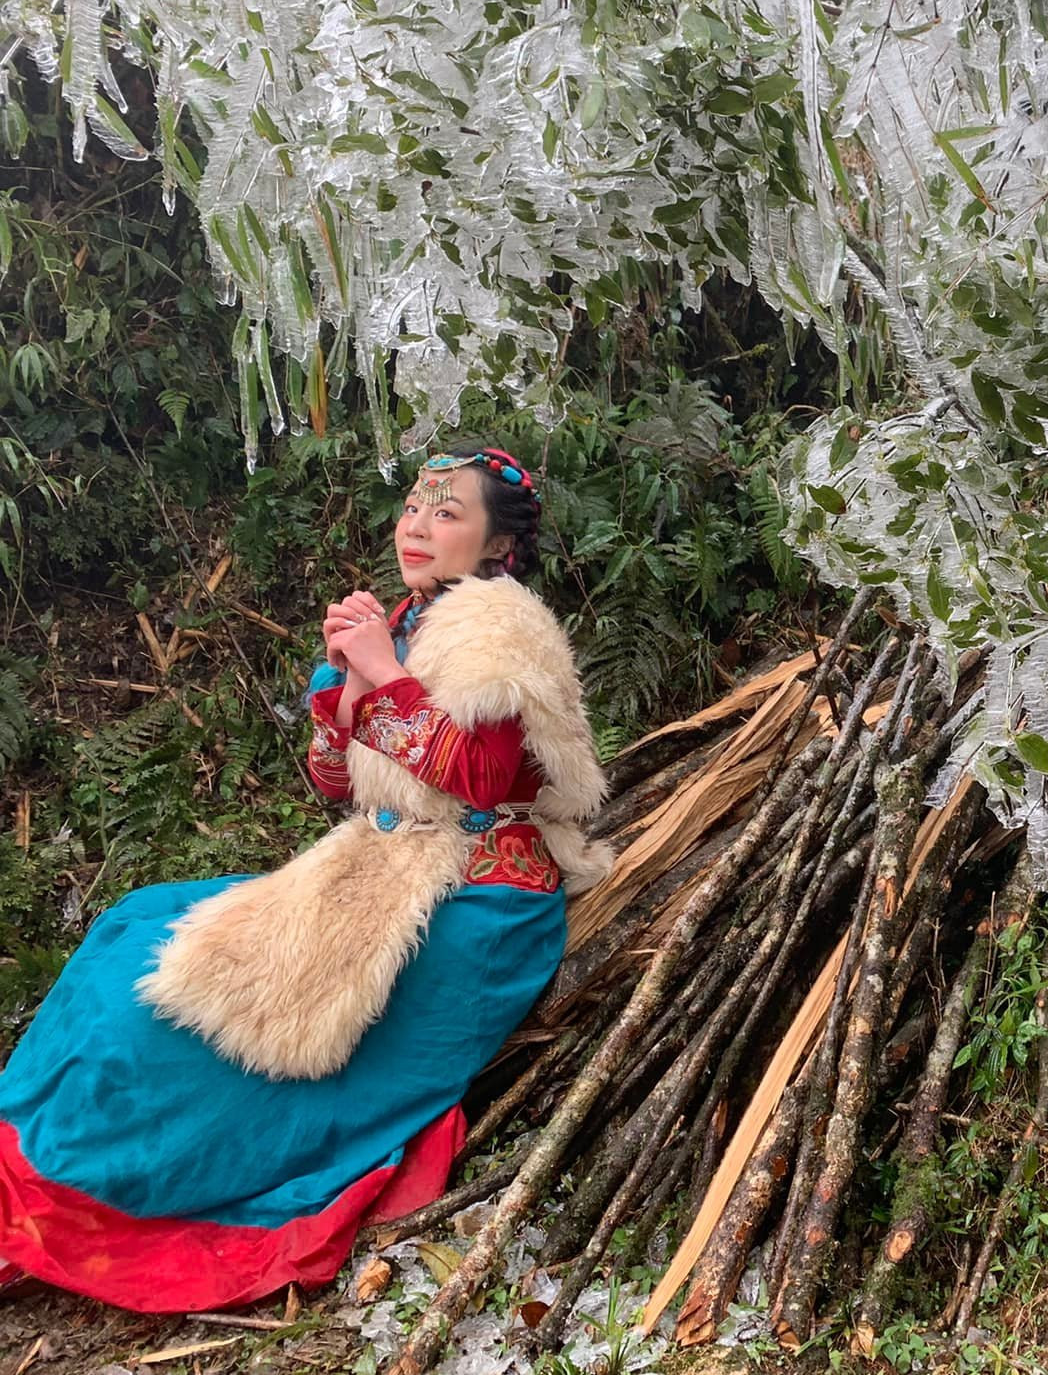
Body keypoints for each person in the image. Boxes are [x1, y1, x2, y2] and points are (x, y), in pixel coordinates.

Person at [0, 448, 613, 1312]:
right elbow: (336, 783)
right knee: (137, 929)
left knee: (229, 1028)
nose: (417, 524)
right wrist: (348, 687)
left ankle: (118, 1176)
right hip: (385, 862)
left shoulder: (502, 626)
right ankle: (46, 1149)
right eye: (412, 506)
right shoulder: (397, 619)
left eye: (446, 513)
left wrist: (384, 673)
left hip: (479, 902)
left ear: (497, 548)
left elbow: (477, 778)